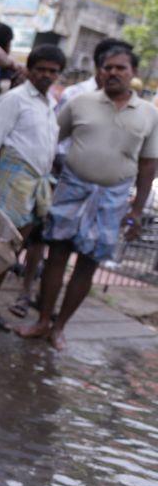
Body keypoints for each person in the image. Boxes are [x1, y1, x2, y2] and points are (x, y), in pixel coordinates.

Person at [20, 42, 158, 349]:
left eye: (120, 67)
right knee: (56, 255)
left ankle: (59, 328)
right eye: (107, 67)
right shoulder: (81, 102)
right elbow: (50, 138)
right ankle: (42, 321)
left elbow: (148, 166)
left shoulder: (148, 114)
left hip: (112, 199)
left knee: (88, 264)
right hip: (71, 190)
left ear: (133, 73)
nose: (112, 73)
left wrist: (136, 211)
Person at [0, 45, 66, 335]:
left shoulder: (49, 105)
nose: (46, 74)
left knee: (12, 250)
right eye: (41, 68)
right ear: (29, 69)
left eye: (52, 71)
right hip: (9, 179)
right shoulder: (14, 99)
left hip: (34, 186)